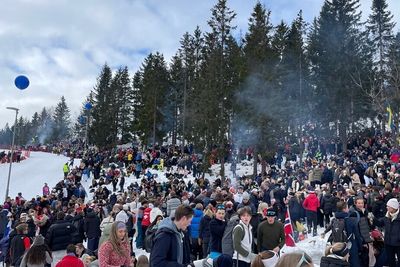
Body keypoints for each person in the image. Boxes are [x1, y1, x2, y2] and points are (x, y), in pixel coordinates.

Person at [373, 198, 400, 267]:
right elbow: (380, 223)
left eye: (388, 206)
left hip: (398, 243)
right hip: (388, 243)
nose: (386, 207)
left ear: (394, 207)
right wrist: (372, 218)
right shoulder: (387, 216)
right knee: (391, 261)